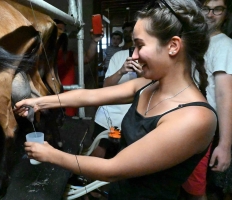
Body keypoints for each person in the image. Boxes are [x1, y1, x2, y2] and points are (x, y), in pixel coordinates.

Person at [14, 0, 217, 199]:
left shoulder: (195, 118)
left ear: (173, 46)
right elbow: (91, 95)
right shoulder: (147, 85)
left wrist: (50, 155)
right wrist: (39, 102)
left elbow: (113, 169)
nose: (134, 55)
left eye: (139, 45)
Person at [182, 0, 232, 199]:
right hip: (186, 122)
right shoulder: (196, 42)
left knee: (196, 190)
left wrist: (225, 145)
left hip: (202, 127)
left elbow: (225, 94)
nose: (211, 14)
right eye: (206, 8)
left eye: (217, 9)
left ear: (225, 14)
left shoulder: (225, 45)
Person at [91, 21, 138, 159]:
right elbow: (106, 85)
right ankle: (90, 177)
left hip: (134, 117)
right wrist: (121, 71)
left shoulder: (154, 59)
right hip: (112, 115)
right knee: (102, 148)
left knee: (126, 155)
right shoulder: (119, 56)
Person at [54, 19, 103, 116]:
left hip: (68, 101)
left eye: (63, 31)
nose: (61, 34)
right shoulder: (42, 55)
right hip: (50, 99)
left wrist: (94, 41)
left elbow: (87, 58)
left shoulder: (68, 55)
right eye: (58, 30)